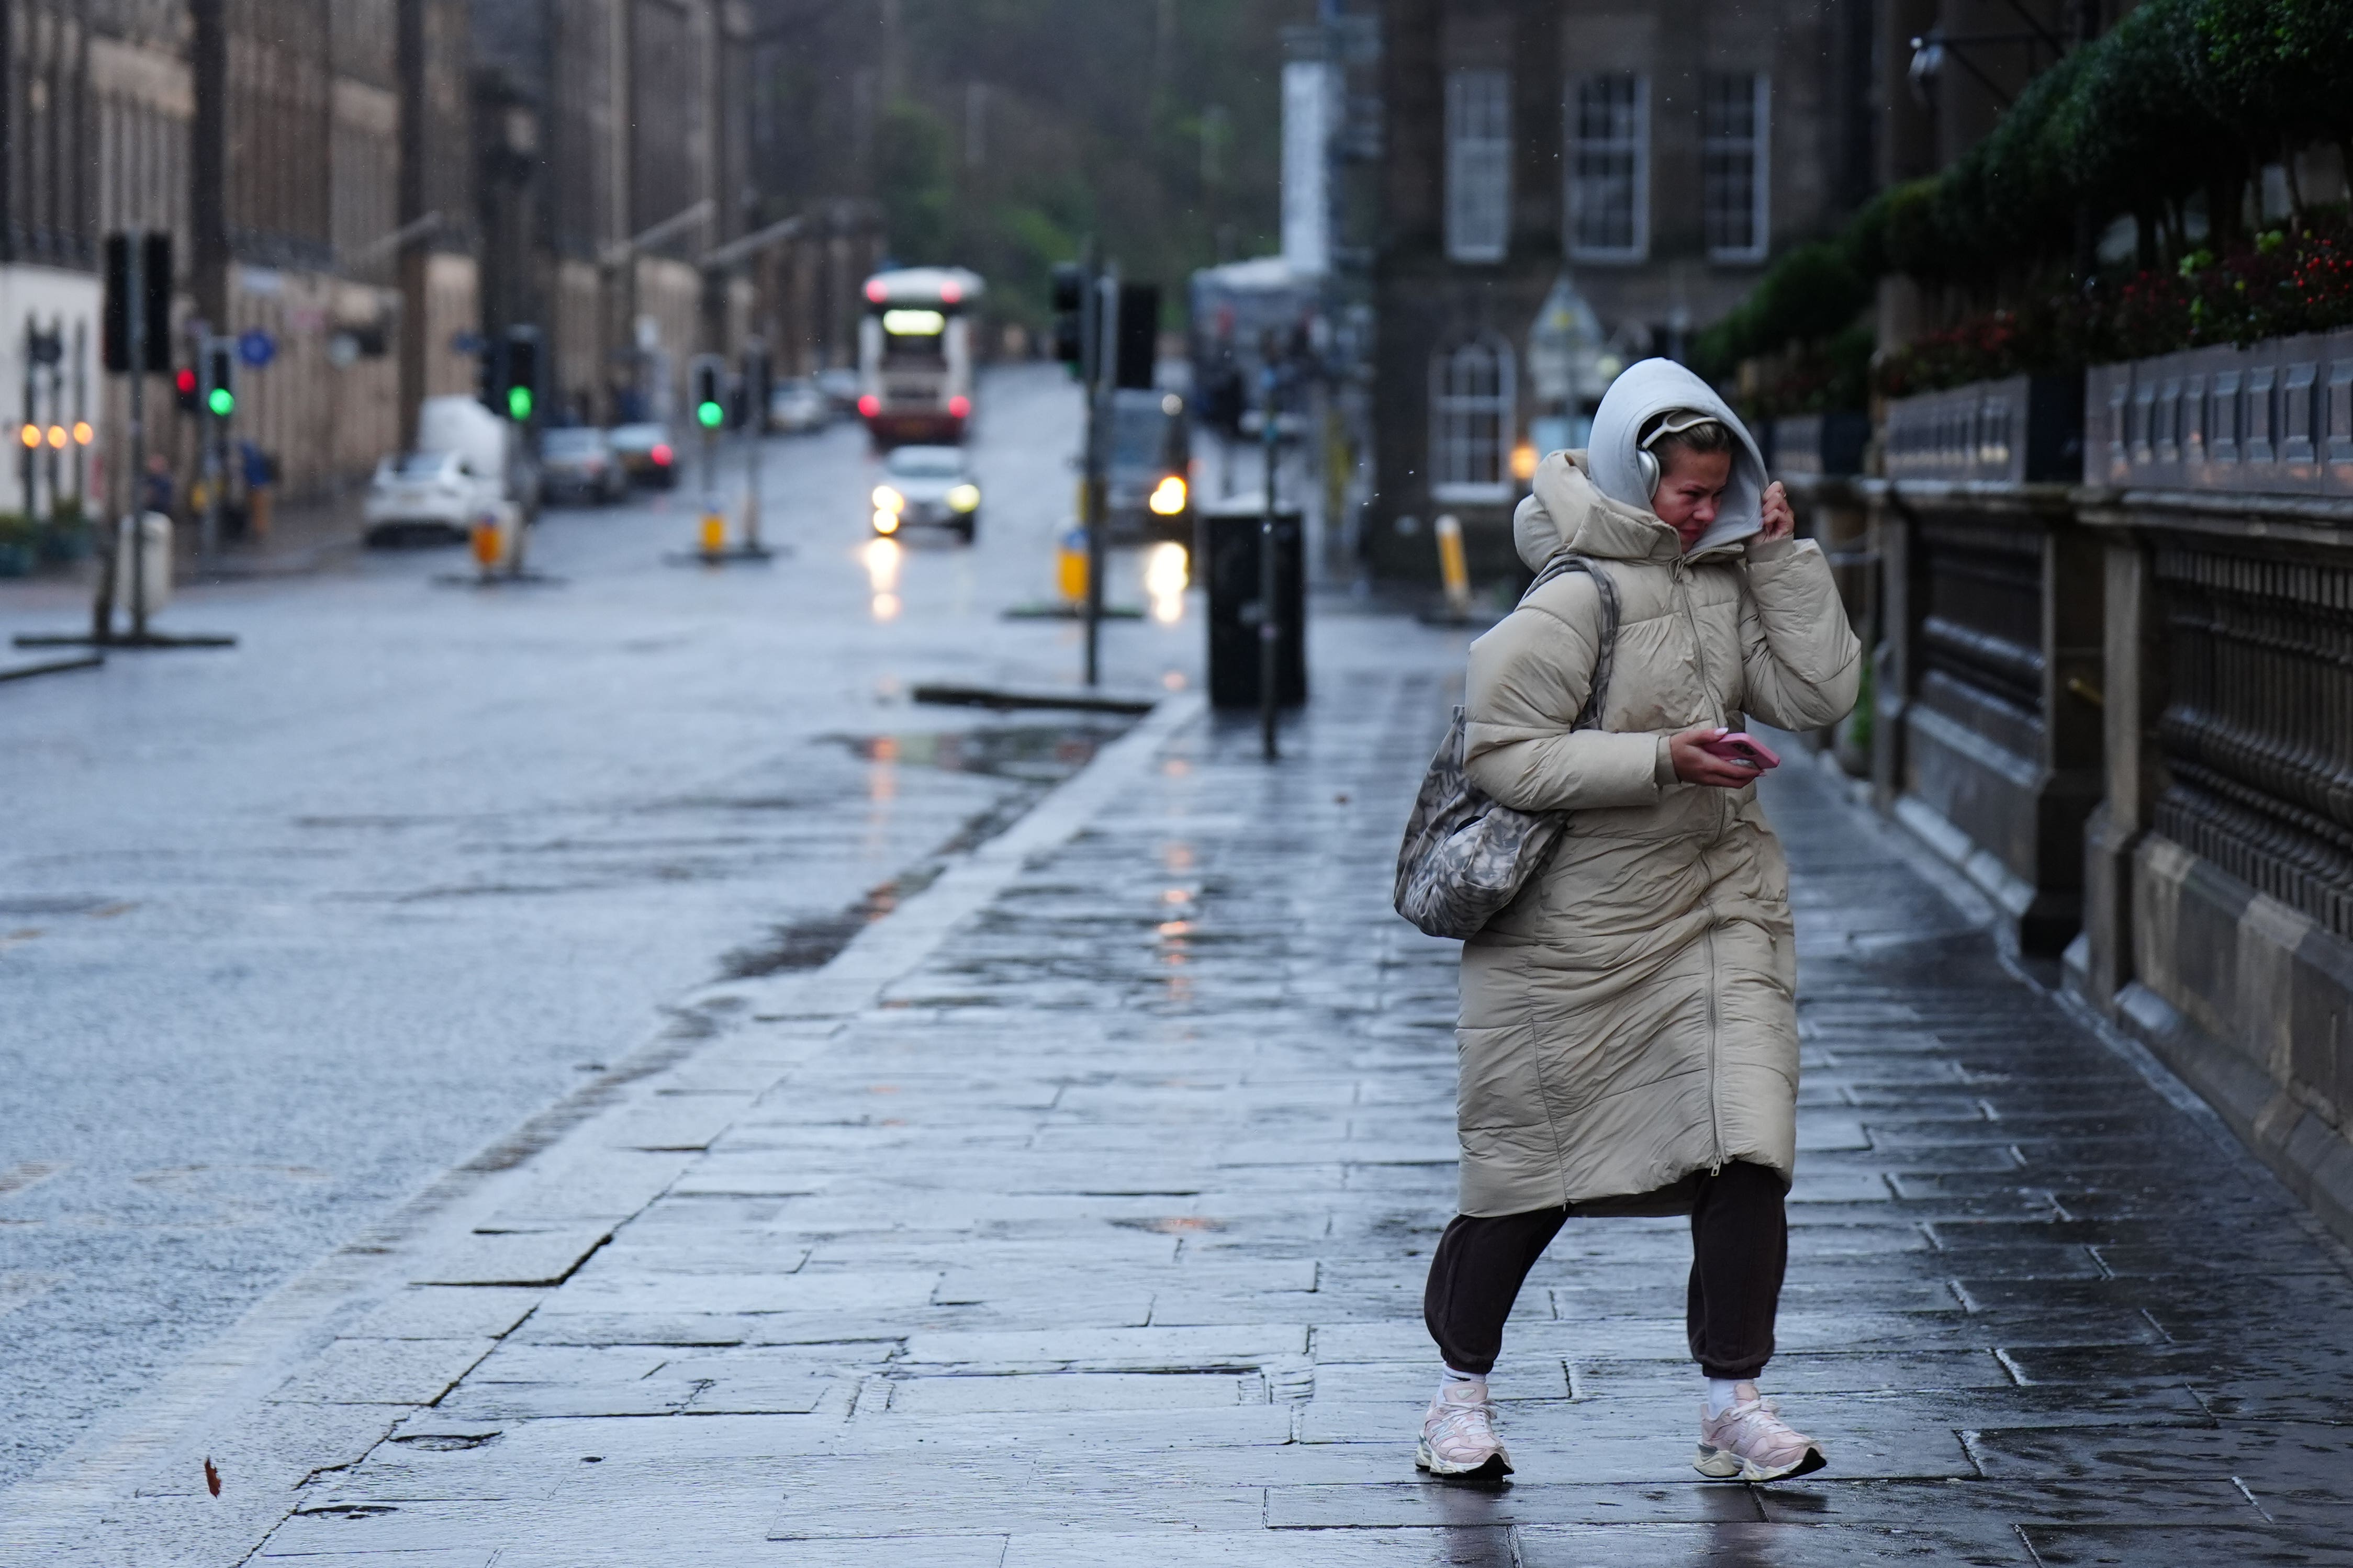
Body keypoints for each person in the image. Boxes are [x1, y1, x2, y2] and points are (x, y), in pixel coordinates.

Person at [1416, 359, 1861, 1485]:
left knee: (1748, 1144)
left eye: (1718, 490)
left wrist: (1779, 558)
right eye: (1685, 492)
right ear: (1631, 473)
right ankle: (1457, 1395)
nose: (1701, 511)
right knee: (1528, 1173)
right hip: (1571, 936)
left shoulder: (1726, 575)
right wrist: (1663, 758)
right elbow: (1501, 752)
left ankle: (1733, 1402)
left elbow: (1819, 696)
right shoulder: (1575, 593)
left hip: (1718, 911)